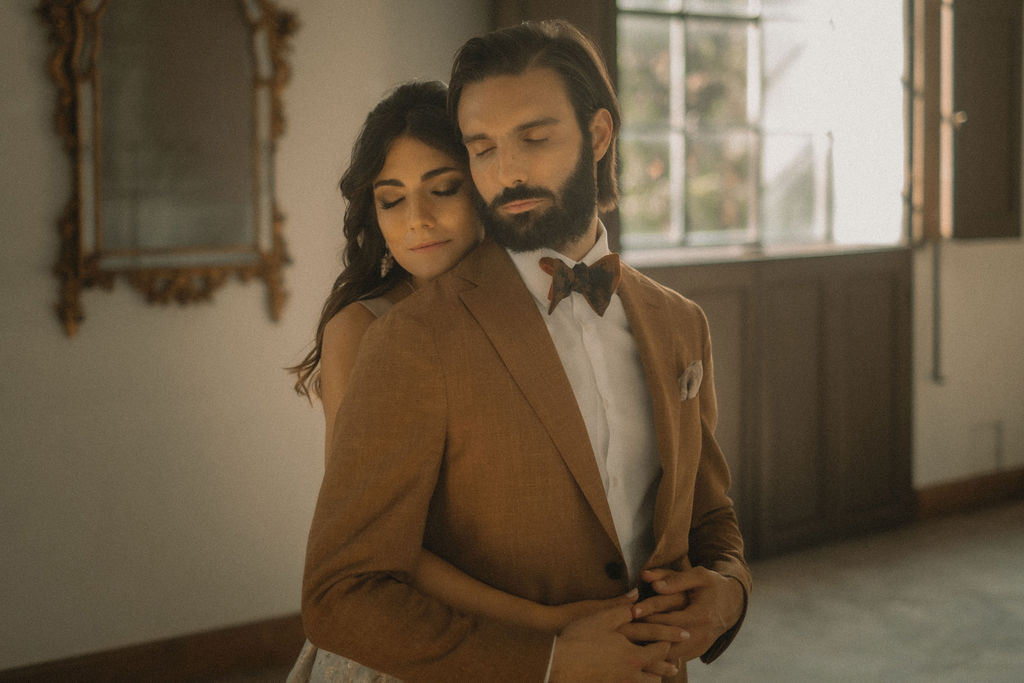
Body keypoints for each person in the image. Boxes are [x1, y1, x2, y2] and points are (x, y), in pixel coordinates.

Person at [302, 20, 751, 682]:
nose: (506, 171)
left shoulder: (681, 322)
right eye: (482, 149)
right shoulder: (414, 336)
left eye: (533, 139)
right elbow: (340, 594)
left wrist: (730, 590)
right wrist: (548, 658)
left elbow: (711, 515)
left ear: (598, 135)